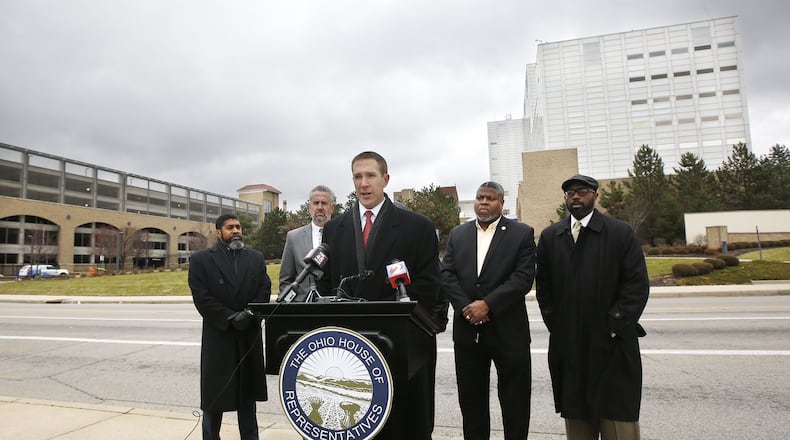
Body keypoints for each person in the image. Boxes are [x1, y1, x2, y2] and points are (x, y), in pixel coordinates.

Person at [317, 151, 445, 439]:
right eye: (357, 177)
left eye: (370, 176)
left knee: (405, 424)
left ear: (385, 179)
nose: (364, 183)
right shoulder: (334, 230)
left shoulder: (417, 227)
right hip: (352, 348)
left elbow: (429, 286)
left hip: (403, 344)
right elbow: (325, 285)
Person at [535, 174, 649, 440]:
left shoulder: (620, 233)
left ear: (595, 196)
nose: (575, 197)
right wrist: (560, 326)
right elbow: (545, 289)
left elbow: (636, 287)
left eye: (582, 191)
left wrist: (614, 327)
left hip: (613, 345)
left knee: (618, 421)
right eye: (570, 193)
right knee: (577, 418)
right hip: (571, 346)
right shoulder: (552, 237)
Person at [441, 181, 536, 440]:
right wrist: (465, 307)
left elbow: (523, 278)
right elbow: (447, 274)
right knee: (472, 405)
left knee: (515, 403)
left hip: (508, 333)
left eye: (490, 198)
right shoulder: (459, 234)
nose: (483, 202)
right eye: (480, 198)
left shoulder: (521, 233)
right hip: (468, 333)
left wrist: (488, 305)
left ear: (501, 203)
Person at [188, 214, 272, 440]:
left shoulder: (255, 258)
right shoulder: (201, 260)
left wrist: (250, 314)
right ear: (218, 232)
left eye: (238, 226)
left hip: (248, 337)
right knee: (215, 399)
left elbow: (264, 289)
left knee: (247, 399)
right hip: (220, 338)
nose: (236, 230)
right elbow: (201, 297)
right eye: (230, 227)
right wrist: (229, 318)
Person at [279, 185, 336, 302]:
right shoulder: (293, 237)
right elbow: (285, 280)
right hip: (302, 308)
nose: (319, 207)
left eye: (324, 203)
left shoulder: (342, 235)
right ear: (309, 206)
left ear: (332, 207)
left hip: (334, 306)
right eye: (316, 203)